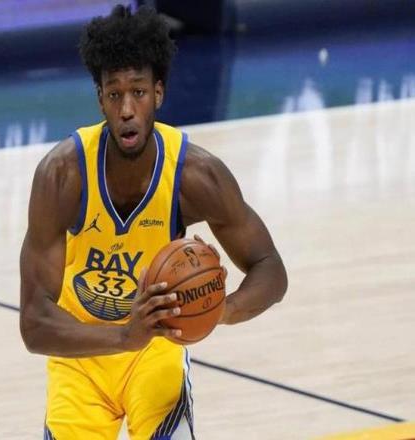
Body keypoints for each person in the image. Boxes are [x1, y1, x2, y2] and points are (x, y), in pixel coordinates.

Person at [19, 4, 287, 440]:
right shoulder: (62, 175)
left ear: (158, 93)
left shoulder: (195, 176)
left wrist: (221, 310)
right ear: (100, 99)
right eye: (114, 94)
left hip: (156, 349)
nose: (127, 108)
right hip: (82, 353)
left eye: (139, 92)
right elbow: (34, 324)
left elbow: (270, 268)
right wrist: (125, 335)